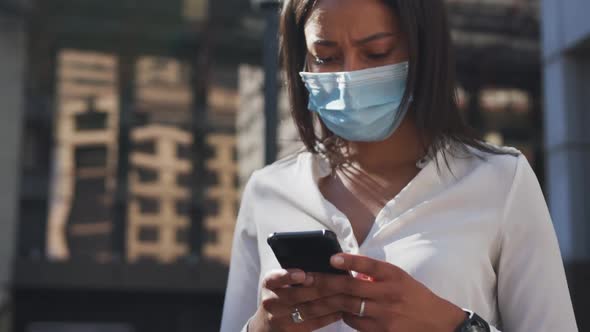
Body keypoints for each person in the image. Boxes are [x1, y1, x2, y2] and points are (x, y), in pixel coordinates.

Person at [220, 0, 578, 331]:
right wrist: (262, 327)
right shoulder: (268, 190)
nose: (349, 76)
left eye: (376, 52)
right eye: (326, 57)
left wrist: (452, 324)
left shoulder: (501, 180)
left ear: (422, 50)